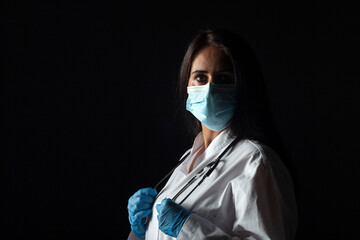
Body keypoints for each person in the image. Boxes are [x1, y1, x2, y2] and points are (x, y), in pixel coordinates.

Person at [127, 28, 298, 239]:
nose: (210, 89)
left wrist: (190, 229)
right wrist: (141, 231)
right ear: (186, 84)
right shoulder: (187, 159)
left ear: (243, 87)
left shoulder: (256, 161)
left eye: (224, 79)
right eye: (200, 77)